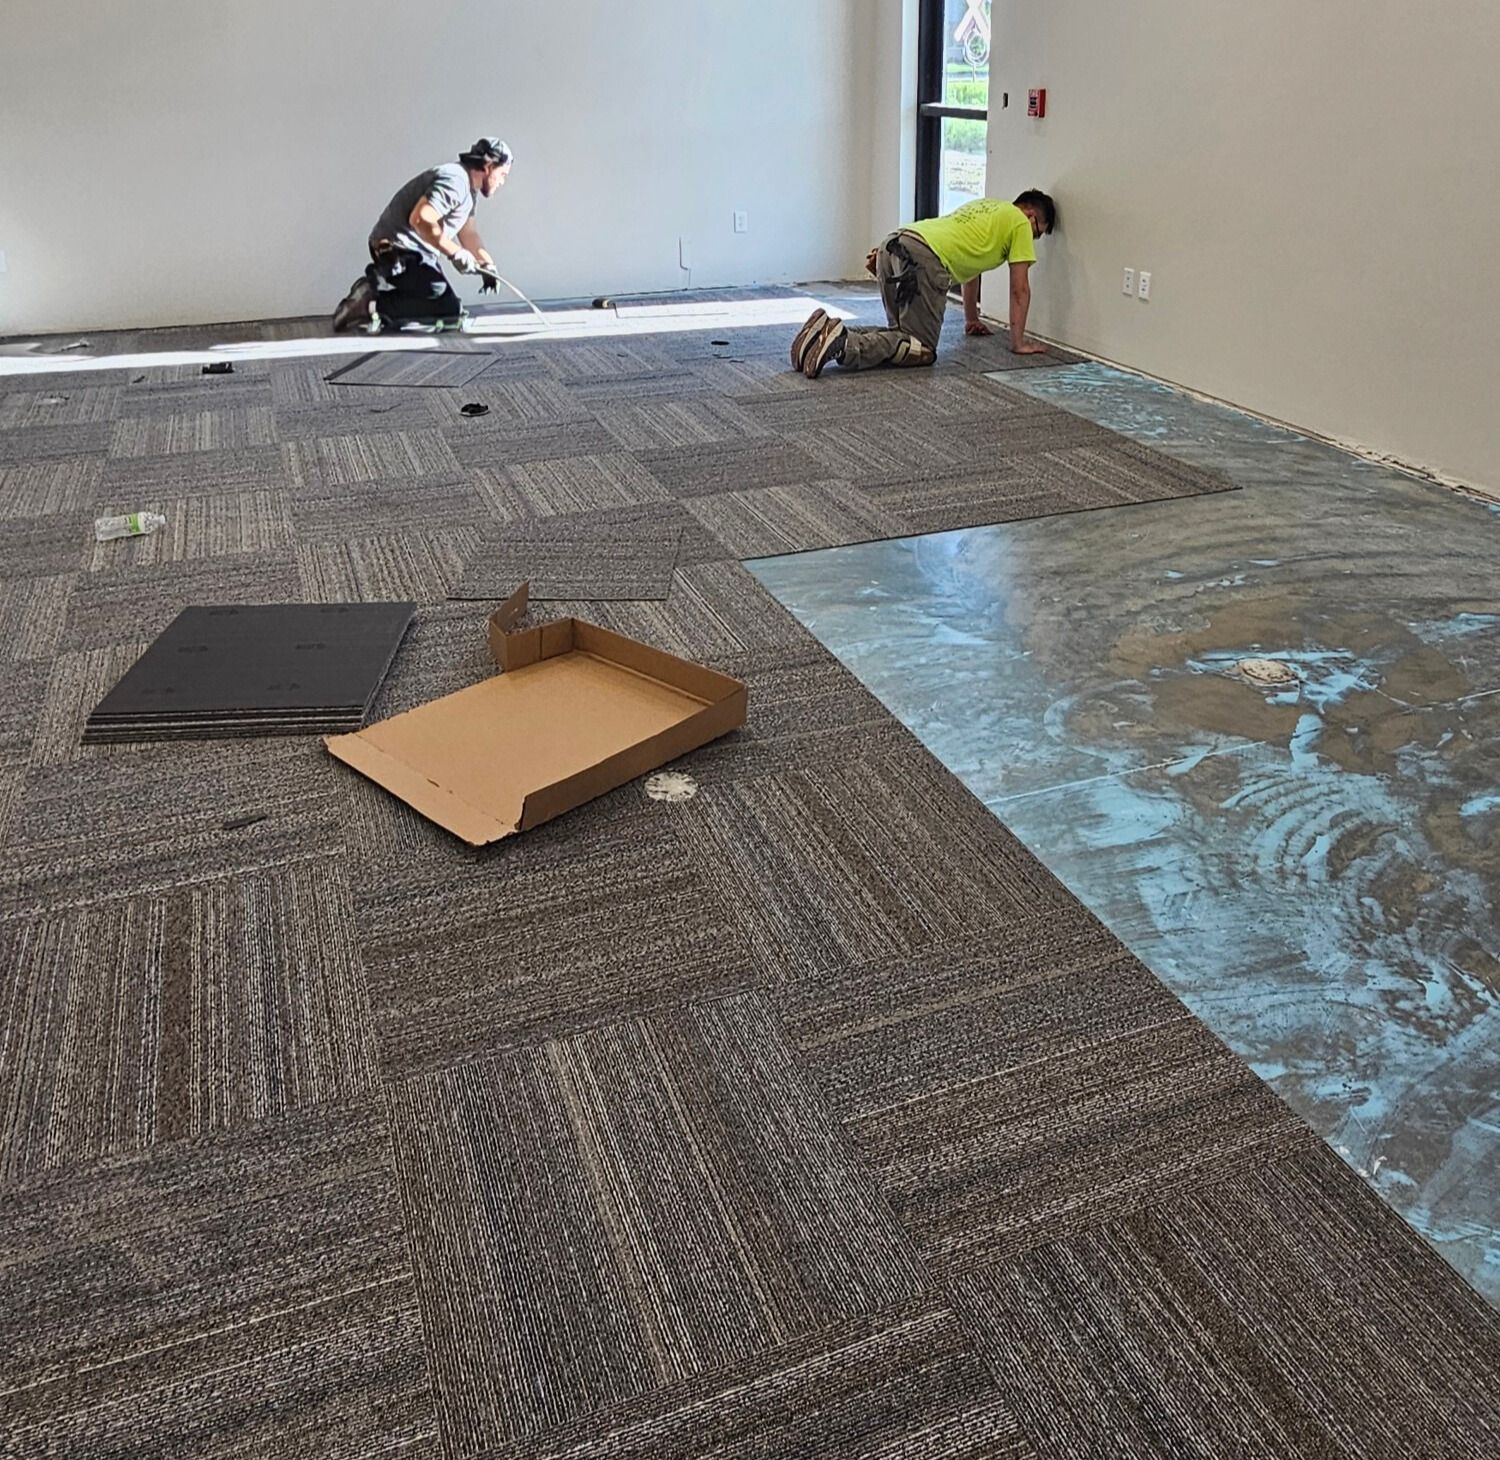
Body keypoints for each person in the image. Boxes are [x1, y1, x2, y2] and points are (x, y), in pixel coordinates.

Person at [790, 189, 1056, 378]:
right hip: (924, 259)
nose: (1033, 239)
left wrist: (971, 319)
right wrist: (1018, 343)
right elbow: (1019, 288)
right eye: (1038, 233)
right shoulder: (1020, 223)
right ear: (1031, 215)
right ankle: (843, 347)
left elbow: (972, 270)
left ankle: (825, 331)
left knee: (901, 334)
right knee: (921, 349)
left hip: (894, 243)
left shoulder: (987, 208)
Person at [333, 137, 513, 333]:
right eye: (502, 174)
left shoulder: (469, 191)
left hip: (416, 251)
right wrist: (455, 252)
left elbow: (468, 232)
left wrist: (487, 265)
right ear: (488, 166)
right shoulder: (455, 182)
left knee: (448, 309)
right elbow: (420, 219)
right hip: (396, 249)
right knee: (445, 307)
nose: (503, 181)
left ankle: (375, 289)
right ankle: (368, 303)